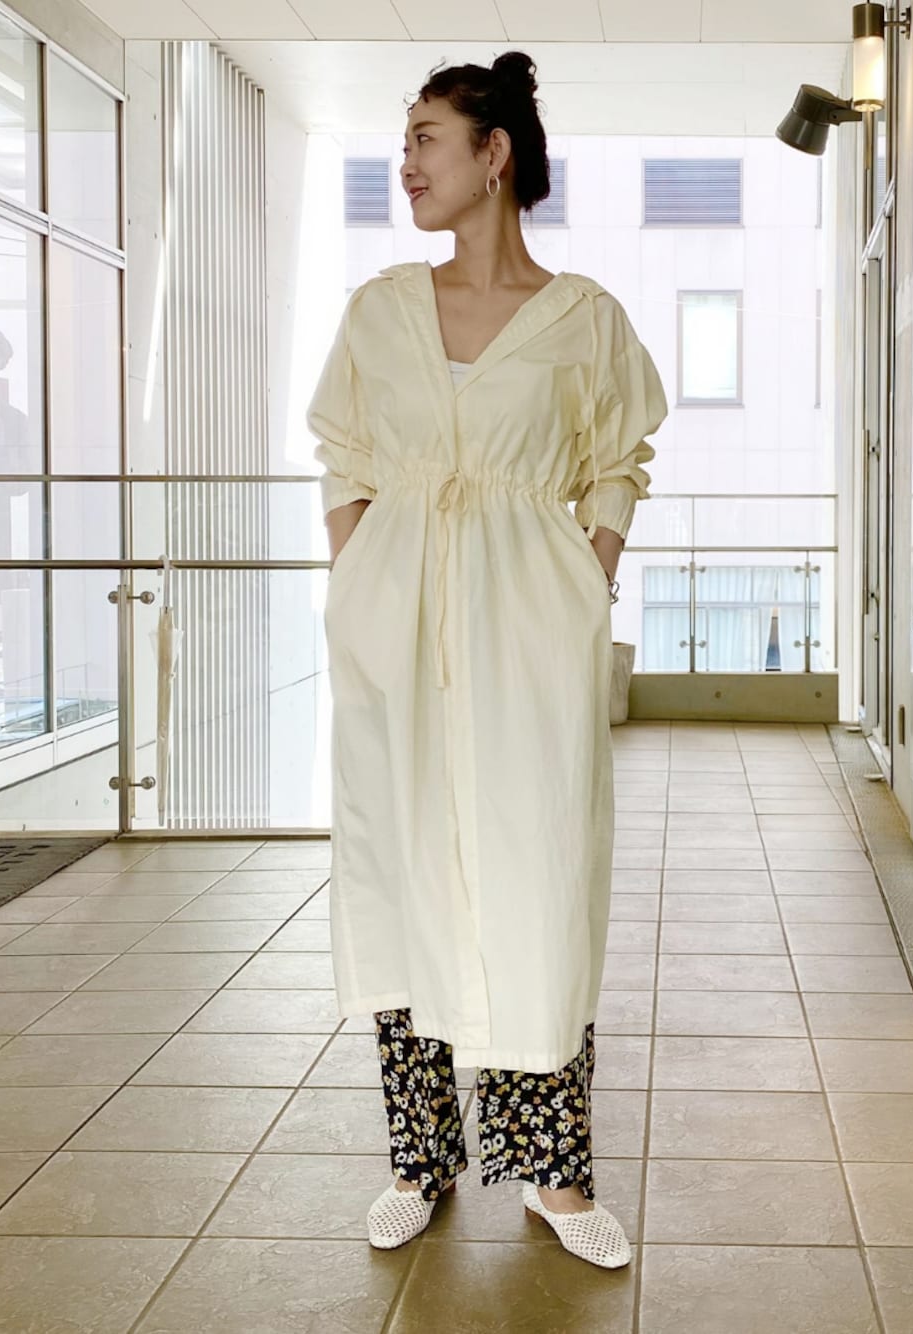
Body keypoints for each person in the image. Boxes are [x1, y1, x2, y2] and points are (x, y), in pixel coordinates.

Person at [307, 51, 667, 1269]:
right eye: (403, 141)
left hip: (526, 635)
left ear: (492, 152)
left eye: (424, 138)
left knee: (536, 880)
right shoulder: (379, 310)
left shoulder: (583, 321)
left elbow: (618, 459)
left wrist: (585, 581)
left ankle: (553, 1176)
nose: (405, 163)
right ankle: (420, 1160)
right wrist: (362, 588)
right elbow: (345, 455)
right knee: (405, 872)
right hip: (395, 634)